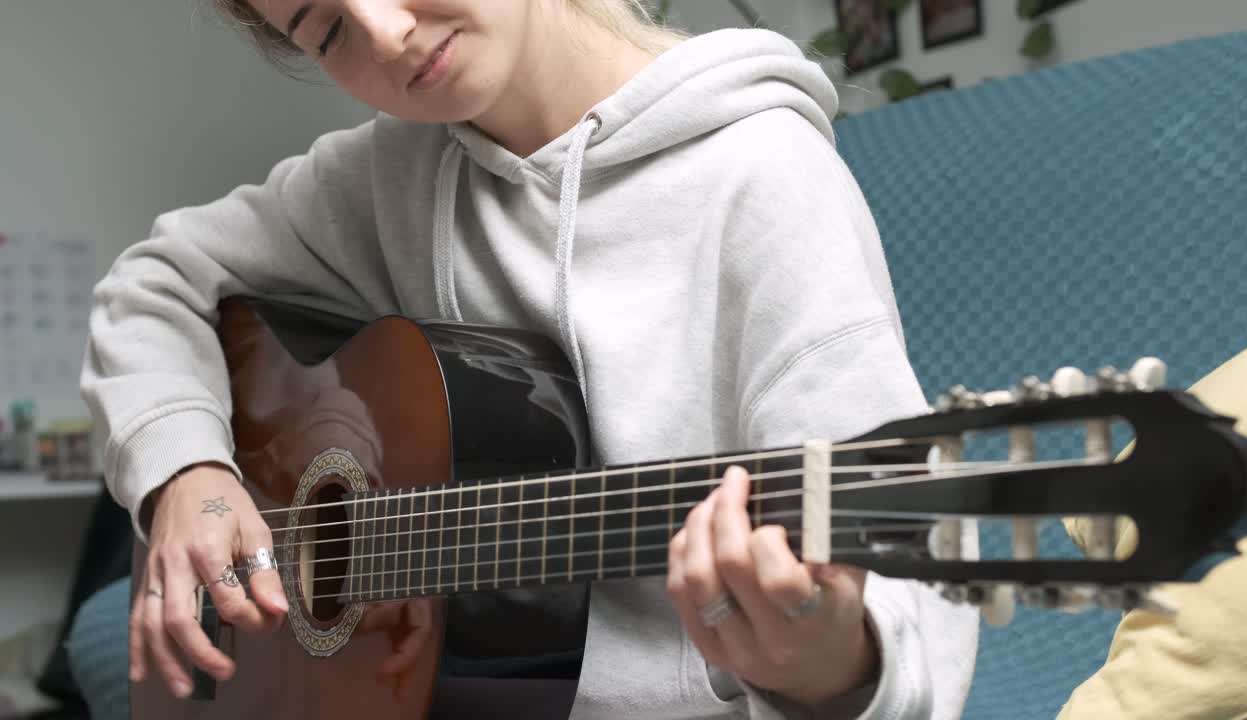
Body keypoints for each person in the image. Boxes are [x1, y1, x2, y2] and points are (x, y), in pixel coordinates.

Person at [79, 1, 978, 718]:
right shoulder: (390, 182)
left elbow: (908, 598)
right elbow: (152, 285)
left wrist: (831, 668)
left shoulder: (766, 180)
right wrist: (187, 473)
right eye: (327, 30)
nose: (386, 33)